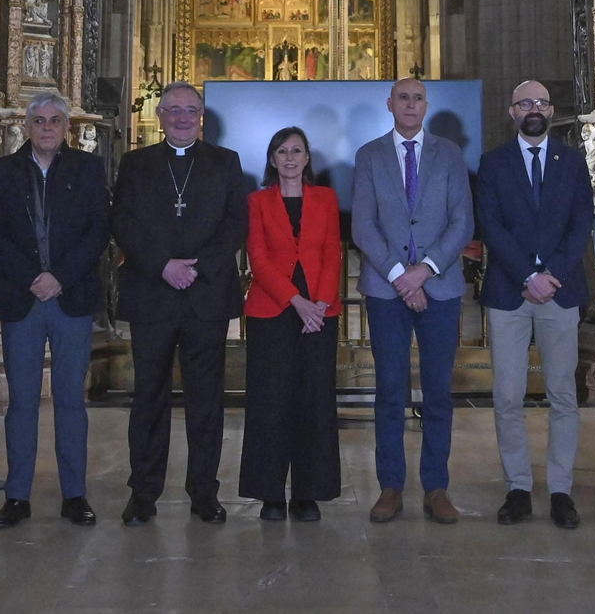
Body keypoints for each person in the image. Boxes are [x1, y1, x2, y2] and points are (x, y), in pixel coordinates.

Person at [110, 82, 249, 525]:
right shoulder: (136, 164)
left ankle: (204, 492)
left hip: (205, 296)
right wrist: (162, 266)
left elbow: (236, 225)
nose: (183, 118)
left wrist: (196, 267)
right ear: (160, 116)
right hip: (152, 294)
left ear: (202, 115)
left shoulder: (224, 163)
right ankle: (143, 494)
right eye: (174, 110)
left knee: (205, 399)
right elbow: (123, 221)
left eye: (191, 110)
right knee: (148, 397)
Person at [0, 91, 110, 530]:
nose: (48, 128)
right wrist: (31, 278)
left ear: (66, 128)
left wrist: (61, 277)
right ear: (27, 126)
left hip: (70, 299)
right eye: (40, 121)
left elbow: (98, 232)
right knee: (22, 403)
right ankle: (17, 496)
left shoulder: (88, 169)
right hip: (24, 299)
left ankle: (74, 494)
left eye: (57, 120)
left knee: (71, 401)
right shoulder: (3, 172)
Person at [351, 77, 475, 524]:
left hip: (440, 287)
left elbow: (462, 221)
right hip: (386, 290)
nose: (409, 104)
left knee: (439, 392)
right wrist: (403, 276)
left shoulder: (450, 154)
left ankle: (436, 487)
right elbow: (363, 226)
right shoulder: (369, 155)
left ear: (426, 105)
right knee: (389, 390)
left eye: (417, 98)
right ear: (389, 104)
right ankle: (390, 487)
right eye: (402, 97)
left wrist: (425, 271)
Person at [475, 79, 594, 528]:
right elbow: (491, 224)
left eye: (541, 102)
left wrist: (552, 276)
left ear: (550, 109)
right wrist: (528, 275)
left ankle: (561, 490)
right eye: (525, 102)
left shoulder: (573, 162)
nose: (534, 109)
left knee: (563, 394)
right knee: (508, 395)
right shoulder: (493, 163)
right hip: (510, 291)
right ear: (512, 111)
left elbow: (582, 221)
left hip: (560, 292)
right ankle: (518, 487)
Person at [238, 127, 344, 521]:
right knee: (270, 403)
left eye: (296, 151)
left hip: (320, 313)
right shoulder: (258, 201)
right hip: (273, 312)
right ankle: (269, 493)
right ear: (271, 159)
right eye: (282, 151)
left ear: (307, 158)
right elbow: (258, 258)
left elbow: (332, 251)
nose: (289, 158)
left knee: (314, 403)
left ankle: (308, 494)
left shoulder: (326, 198)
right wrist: (296, 301)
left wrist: (319, 302)